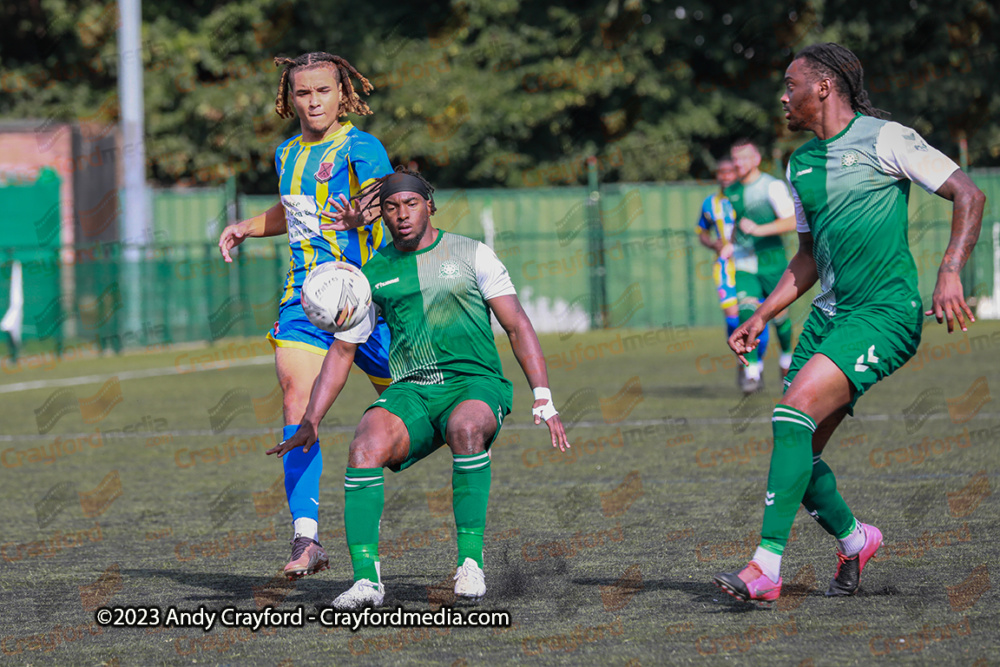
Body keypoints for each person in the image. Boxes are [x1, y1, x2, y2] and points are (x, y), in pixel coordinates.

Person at [714, 42, 984, 604]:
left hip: (884, 315)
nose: (782, 97)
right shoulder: (800, 164)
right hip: (829, 317)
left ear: (824, 87)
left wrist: (951, 270)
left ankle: (765, 568)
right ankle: (856, 539)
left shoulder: (886, 138)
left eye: (790, 85)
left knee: (791, 413)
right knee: (800, 451)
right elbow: (808, 258)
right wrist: (761, 315)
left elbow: (968, 193)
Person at [268, 168, 569, 610]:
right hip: (413, 389)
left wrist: (542, 396)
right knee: (364, 445)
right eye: (391, 208)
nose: (401, 214)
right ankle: (367, 582)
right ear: (383, 216)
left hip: (476, 384)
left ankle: (470, 564)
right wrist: (311, 419)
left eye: (410, 204)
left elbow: (517, 325)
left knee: (466, 428)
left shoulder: (472, 254)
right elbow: (341, 352)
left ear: (429, 205)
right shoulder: (372, 275)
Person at [217, 52, 394, 580]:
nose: (313, 101)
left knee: (419, 407)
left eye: (322, 91)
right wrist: (248, 226)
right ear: (288, 97)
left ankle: (467, 536)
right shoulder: (286, 152)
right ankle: (307, 537)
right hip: (306, 299)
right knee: (298, 400)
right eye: (302, 93)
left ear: (343, 95)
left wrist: (366, 209)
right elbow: (295, 210)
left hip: (372, 298)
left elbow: (384, 196)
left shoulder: (361, 147)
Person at [725, 139, 797, 392]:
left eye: (744, 158)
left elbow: (793, 221)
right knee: (746, 310)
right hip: (744, 262)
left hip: (772, 262)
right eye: (735, 159)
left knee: (779, 316)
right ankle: (752, 372)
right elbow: (738, 224)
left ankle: (787, 357)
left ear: (756, 159)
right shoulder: (731, 190)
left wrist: (760, 229)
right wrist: (729, 243)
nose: (739, 163)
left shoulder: (771, 186)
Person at [696, 158, 769, 391]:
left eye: (730, 171)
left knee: (758, 316)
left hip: (754, 263)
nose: (726, 176)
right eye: (721, 172)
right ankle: (746, 363)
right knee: (733, 316)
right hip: (725, 267)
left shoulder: (749, 197)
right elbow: (701, 232)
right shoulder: (710, 204)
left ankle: (755, 364)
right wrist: (713, 244)